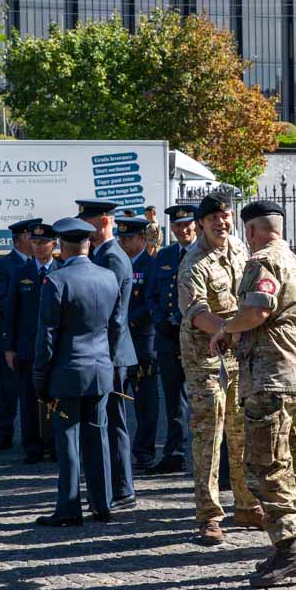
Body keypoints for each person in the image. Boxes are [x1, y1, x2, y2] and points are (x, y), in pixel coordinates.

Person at [210, 200, 296, 588]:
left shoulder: (261, 263)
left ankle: (290, 549)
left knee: (264, 464)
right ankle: (290, 542)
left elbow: (258, 310)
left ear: (252, 231)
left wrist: (225, 329)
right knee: (290, 462)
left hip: (272, 377)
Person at [179, 191, 265, 545]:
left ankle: (247, 504)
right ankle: (210, 516)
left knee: (241, 434)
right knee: (208, 439)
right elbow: (195, 313)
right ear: (201, 223)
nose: (221, 223)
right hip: (206, 361)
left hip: (237, 355)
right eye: (213, 218)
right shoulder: (193, 262)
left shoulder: (240, 251)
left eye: (226, 216)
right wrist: (226, 331)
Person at [34, 217, 123, 526]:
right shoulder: (108, 277)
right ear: (88, 243)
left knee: (68, 440)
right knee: (98, 438)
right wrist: (107, 360)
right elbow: (116, 327)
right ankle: (103, 504)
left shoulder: (57, 280)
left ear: (62, 245)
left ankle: (69, 508)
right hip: (99, 368)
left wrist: (39, 377)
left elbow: (46, 335)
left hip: (68, 371)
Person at [77, 198, 139, 510]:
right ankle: (114, 486)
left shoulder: (112, 257)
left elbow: (114, 316)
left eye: (87, 223)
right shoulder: (104, 254)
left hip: (112, 354)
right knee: (110, 420)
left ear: (103, 221)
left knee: (114, 422)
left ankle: (122, 487)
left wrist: (108, 357)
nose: (83, 230)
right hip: (108, 352)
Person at [142, 204, 197, 476]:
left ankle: (209, 458)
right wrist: (160, 317)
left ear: (196, 225)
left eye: (187, 224)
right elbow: (150, 294)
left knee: (204, 400)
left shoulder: (206, 253)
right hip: (168, 337)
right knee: (174, 400)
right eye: (177, 226)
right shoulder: (164, 256)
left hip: (199, 338)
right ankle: (174, 454)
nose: (182, 230)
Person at [0, 222, 60, 464]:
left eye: (42, 242)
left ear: (53, 244)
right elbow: (10, 312)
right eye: (34, 242)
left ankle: (55, 445)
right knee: (27, 400)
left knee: (54, 398)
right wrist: (9, 347)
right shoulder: (21, 272)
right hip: (26, 347)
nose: (37, 247)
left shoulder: (61, 270)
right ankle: (32, 447)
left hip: (54, 348)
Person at [0, 217, 38, 452]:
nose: (36, 241)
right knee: (8, 390)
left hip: (35, 338)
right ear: (20, 239)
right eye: (31, 236)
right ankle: (3, 434)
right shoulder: (3, 265)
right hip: (11, 336)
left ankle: (37, 434)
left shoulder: (41, 264)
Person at [116, 216, 160, 471]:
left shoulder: (151, 265)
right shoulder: (116, 263)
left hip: (142, 342)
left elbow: (151, 301)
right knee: (117, 398)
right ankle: (119, 452)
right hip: (119, 344)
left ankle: (144, 451)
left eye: (129, 238)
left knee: (145, 402)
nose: (123, 242)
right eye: (121, 238)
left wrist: (124, 321)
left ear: (142, 239)